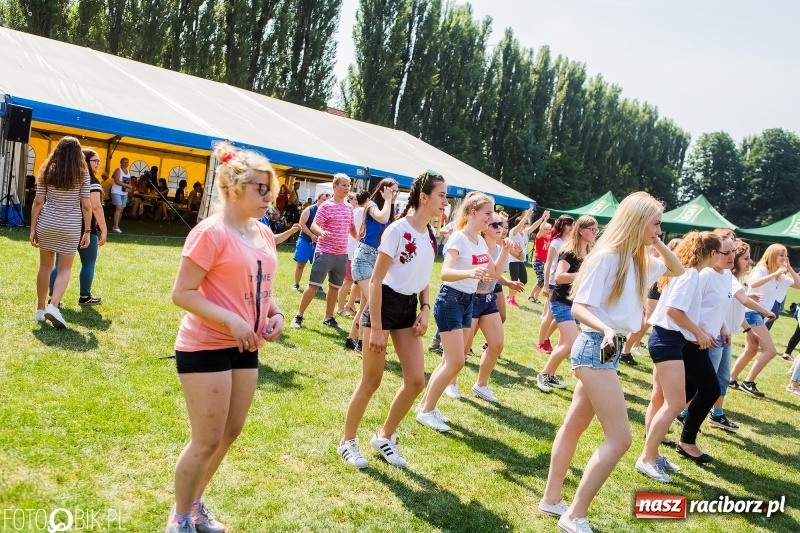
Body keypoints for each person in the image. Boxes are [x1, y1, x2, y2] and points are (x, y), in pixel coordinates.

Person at [539, 192, 682, 533]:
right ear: (636, 221)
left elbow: (676, 268)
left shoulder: (640, 260)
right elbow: (578, 307)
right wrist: (604, 328)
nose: (660, 229)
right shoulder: (606, 258)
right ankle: (573, 516)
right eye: (656, 222)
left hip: (608, 348)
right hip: (594, 346)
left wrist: (656, 240)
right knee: (620, 439)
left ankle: (551, 500)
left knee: (575, 424)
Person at [166, 141, 285, 533]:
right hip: (205, 346)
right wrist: (232, 321)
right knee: (206, 439)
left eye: (270, 187)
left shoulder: (264, 233)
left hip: (245, 348)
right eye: (260, 188)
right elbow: (182, 293)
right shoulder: (210, 233)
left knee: (229, 433)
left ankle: (195, 503)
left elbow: (260, 287)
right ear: (235, 188)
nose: (269, 196)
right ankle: (179, 518)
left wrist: (275, 313)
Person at [338, 171, 447, 469]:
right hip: (383, 304)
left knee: (415, 381)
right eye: (441, 195)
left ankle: (384, 436)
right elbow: (375, 280)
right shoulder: (397, 230)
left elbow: (424, 276)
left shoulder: (430, 234)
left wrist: (425, 308)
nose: (445, 202)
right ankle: (347, 441)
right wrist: (375, 328)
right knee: (371, 381)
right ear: (424, 197)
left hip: (408, 307)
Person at [416, 191, 512, 431]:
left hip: (468, 301)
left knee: (451, 361)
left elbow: (493, 275)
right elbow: (445, 273)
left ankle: (427, 406)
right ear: (472, 213)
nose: (492, 218)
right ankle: (426, 410)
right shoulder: (458, 238)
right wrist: (469, 273)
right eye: (487, 213)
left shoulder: (480, 241)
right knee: (456, 361)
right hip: (451, 301)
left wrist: (506, 250)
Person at [637, 231, 720, 480]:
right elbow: (674, 311)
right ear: (713, 254)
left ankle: (653, 454)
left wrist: (699, 331)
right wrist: (700, 333)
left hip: (671, 340)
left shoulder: (688, 272)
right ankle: (647, 457)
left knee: (669, 401)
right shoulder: (691, 274)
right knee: (674, 403)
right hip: (667, 340)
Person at [692, 237, 774, 431]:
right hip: (709, 338)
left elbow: (728, 308)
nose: (749, 262)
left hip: (721, 335)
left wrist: (739, 329)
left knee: (721, 380)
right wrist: (765, 312)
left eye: (734, 254)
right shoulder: (708, 275)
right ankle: (687, 414)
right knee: (705, 383)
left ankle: (716, 414)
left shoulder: (728, 277)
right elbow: (741, 301)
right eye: (744, 258)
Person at [447, 211, 523, 403]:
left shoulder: (498, 248)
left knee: (496, 345)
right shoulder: (478, 246)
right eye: (496, 225)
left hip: (488, 300)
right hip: (471, 299)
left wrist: (508, 283)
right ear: (485, 228)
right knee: (463, 348)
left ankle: (481, 385)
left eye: (502, 225)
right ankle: (451, 383)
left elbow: (498, 272)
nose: (501, 229)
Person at [29, 136, 92, 328]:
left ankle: (40, 309)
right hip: (70, 226)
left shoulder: (46, 170)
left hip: (47, 223)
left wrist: (33, 228)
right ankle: (53, 305)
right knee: (65, 268)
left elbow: (38, 202)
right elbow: (87, 206)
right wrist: (87, 230)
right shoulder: (83, 174)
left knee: (45, 267)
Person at [536, 215, 598, 393]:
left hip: (577, 304)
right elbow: (560, 277)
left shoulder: (589, 252)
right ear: (580, 230)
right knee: (570, 344)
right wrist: (582, 275)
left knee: (564, 343)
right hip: (562, 301)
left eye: (596, 230)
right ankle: (544, 374)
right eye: (591, 229)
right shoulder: (569, 251)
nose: (594, 233)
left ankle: (550, 374)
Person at [729, 244, 800, 397]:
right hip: (751, 313)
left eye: (785, 255)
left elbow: (798, 284)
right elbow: (753, 283)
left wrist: (789, 269)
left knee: (751, 350)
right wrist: (775, 274)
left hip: (759, 314)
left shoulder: (779, 274)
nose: (784, 258)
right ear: (772, 255)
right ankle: (748, 383)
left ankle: (731, 379)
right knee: (770, 351)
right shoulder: (762, 269)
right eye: (781, 255)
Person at [290, 174, 355, 329]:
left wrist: (361, 237)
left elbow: (351, 228)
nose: (347, 188)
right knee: (313, 285)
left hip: (341, 254)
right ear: (334, 186)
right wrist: (321, 232)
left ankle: (328, 317)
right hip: (325, 252)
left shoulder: (349, 207)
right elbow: (314, 225)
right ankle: (298, 316)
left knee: (334, 287)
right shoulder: (326, 206)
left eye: (348, 185)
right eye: (344, 185)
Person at [48, 149, 108, 307]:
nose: (98, 164)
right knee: (88, 263)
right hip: (86, 229)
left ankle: (54, 298)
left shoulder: (69, 179)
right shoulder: (92, 181)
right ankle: (84, 296)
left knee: (59, 265)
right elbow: (95, 206)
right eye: (95, 161)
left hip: (69, 225)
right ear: (86, 161)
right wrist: (104, 229)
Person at [345, 180, 398, 350]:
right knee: (374, 303)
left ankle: (351, 339)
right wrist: (388, 200)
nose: (395, 195)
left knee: (366, 304)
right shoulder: (372, 205)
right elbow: (381, 217)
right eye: (392, 191)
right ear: (383, 190)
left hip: (376, 261)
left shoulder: (389, 210)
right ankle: (362, 343)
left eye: (397, 193)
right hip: (363, 258)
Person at [537, 215, 574, 354]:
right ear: (562, 225)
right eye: (569, 224)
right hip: (553, 282)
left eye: (572, 224)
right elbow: (548, 265)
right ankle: (541, 342)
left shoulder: (570, 242)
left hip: (564, 283)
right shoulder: (556, 243)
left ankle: (547, 339)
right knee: (549, 315)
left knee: (558, 315)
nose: (571, 227)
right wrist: (546, 285)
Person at [506, 207, 549, 306]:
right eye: (524, 223)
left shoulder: (524, 232)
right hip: (513, 259)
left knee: (524, 280)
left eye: (526, 224)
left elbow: (534, 226)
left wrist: (543, 218)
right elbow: (521, 224)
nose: (525, 225)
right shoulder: (514, 232)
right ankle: (511, 298)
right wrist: (527, 215)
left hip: (521, 260)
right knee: (514, 280)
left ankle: (510, 296)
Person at [291, 191, 329, 291]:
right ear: (318, 199)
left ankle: (317, 285)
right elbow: (302, 224)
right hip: (305, 240)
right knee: (300, 264)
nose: (325, 202)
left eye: (327, 201)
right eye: (323, 200)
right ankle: (296, 284)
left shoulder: (328, 211)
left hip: (320, 243)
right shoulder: (310, 209)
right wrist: (312, 235)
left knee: (319, 267)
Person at [527, 221, 552, 303]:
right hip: (538, 261)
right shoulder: (539, 237)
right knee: (541, 280)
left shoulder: (549, 238)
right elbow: (540, 230)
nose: (548, 231)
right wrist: (545, 220)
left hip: (545, 262)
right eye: (546, 229)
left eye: (549, 229)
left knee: (543, 281)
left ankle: (535, 297)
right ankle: (531, 296)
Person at [110, 157, 133, 233]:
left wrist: (129, 188)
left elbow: (129, 184)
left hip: (124, 193)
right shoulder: (118, 170)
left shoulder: (128, 172)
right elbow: (117, 181)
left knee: (121, 210)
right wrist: (127, 185)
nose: (126, 164)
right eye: (124, 162)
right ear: (121, 163)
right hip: (116, 192)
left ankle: (116, 226)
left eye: (127, 162)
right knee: (119, 208)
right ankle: (116, 227)